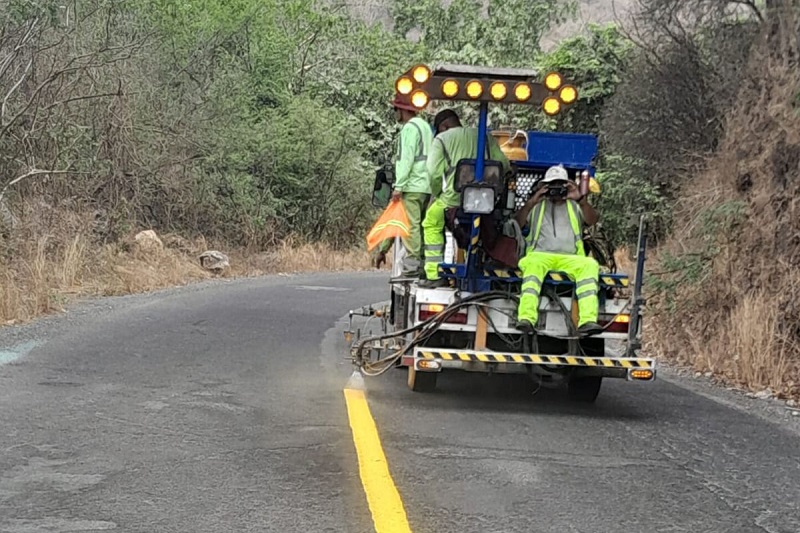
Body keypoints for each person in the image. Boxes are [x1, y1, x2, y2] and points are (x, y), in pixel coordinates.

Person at [419, 109, 510, 287]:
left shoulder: (442, 139)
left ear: (443, 126)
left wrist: (438, 194)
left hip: (454, 200)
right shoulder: (485, 137)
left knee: (430, 221)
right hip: (487, 203)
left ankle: (434, 274)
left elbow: (433, 172)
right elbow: (504, 165)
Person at [513, 165, 603, 336]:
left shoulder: (575, 205)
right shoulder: (536, 205)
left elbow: (592, 220)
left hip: (570, 258)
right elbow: (517, 222)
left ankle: (588, 321)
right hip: (539, 255)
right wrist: (533, 200)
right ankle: (526, 318)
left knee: (590, 265)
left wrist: (580, 200)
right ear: (544, 186)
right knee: (531, 268)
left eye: (560, 186)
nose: (556, 191)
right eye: (551, 186)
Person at [375, 94, 433, 276]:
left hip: (412, 186)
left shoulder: (409, 129)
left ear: (402, 110)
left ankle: (413, 265)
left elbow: (406, 158)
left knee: (411, 226)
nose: (394, 114)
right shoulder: (425, 127)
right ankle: (424, 263)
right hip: (426, 186)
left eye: (395, 109)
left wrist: (398, 186)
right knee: (422, 226)